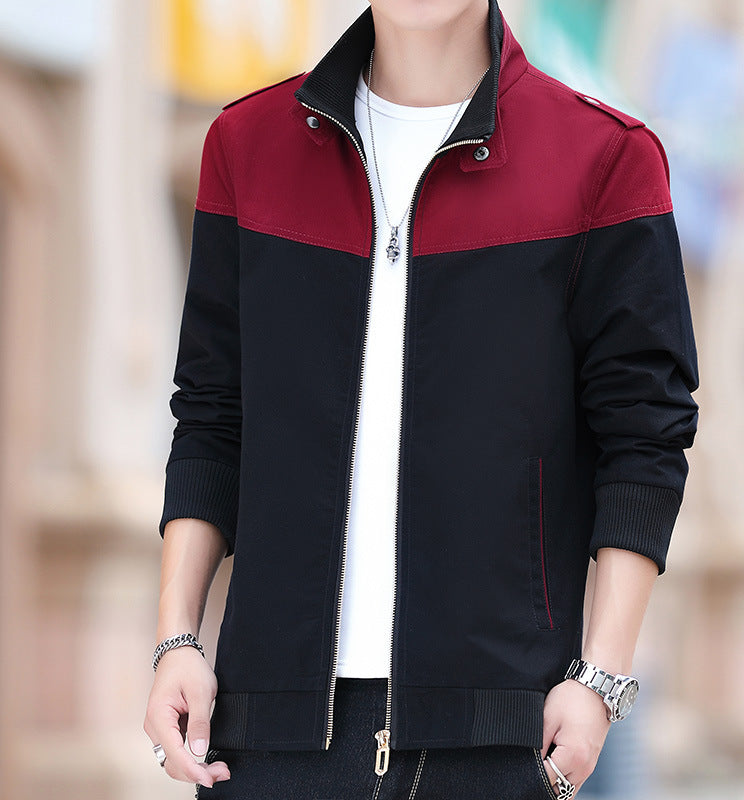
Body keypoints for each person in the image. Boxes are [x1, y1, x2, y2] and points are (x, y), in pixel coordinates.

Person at [143, 0, 700, 798]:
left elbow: (644, 437)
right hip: (264, 734)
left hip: (495, 735)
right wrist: (176, 640)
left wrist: (601, 678)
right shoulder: (246, 146)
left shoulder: (604, 160)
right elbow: (211, 414)